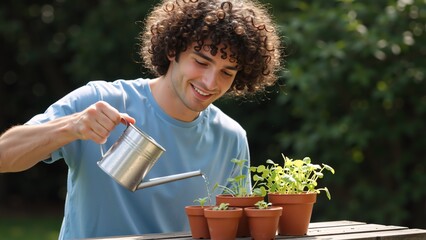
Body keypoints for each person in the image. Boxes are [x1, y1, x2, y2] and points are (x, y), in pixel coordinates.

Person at [0, 0, 282, 239]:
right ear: (173, 50)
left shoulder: (230, 137)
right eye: (201, 61)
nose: (210, 82)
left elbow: (235, 228)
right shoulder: (99, 101)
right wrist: (71, 126)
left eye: (226, 72)